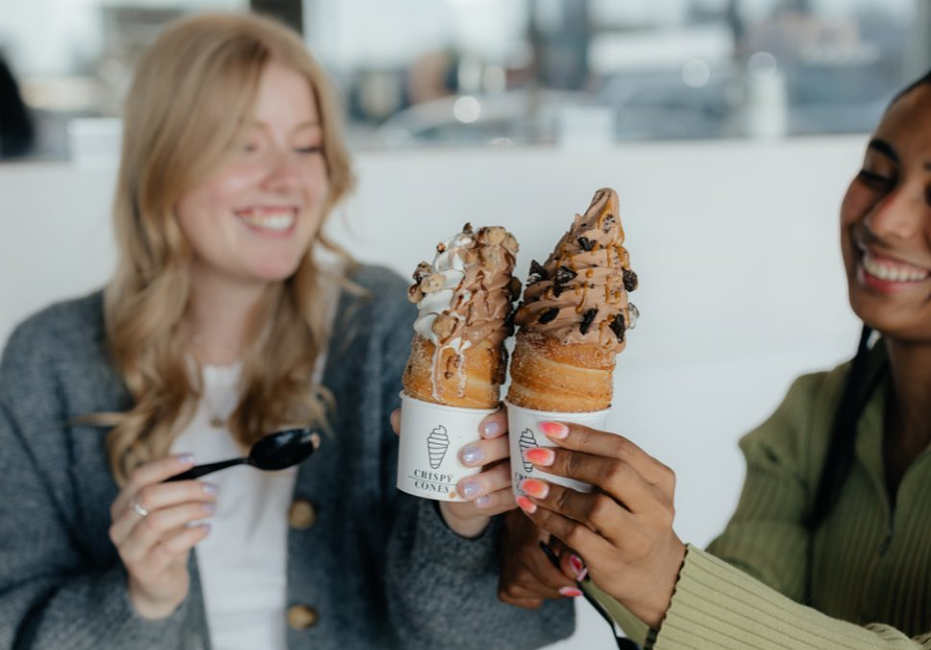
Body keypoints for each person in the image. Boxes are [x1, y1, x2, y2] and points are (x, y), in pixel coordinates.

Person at [0, 12, 571, 650]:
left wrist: (457, 525)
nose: (287, 180)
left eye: (306, 146)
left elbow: (502, 634)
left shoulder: (395, 328)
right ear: (161, 163)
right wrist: (141, 601)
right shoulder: (47, 362)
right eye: (244, 146)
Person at [501, 46, 931, 649]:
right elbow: (750, 596)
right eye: (876, 174)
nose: (885, 219)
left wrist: (662, 579)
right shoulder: (814, 412)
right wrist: (586, 553)